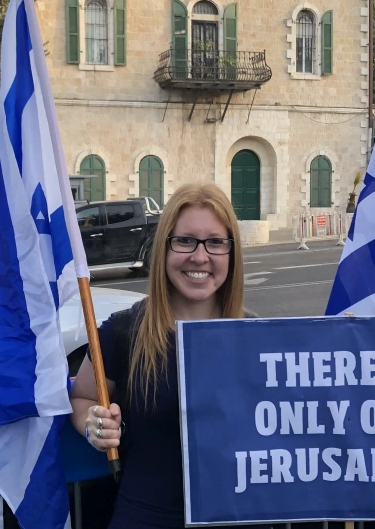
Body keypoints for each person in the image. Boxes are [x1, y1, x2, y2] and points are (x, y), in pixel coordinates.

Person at [68, 183, 265, 529]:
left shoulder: (260, 338)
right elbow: (81, 397)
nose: (200, 257)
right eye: (185, 240)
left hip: (241, 518)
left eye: (216, 242)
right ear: (164, 247)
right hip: (146, 517)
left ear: (232, 253)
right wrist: (93, 425)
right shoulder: (124, 331)